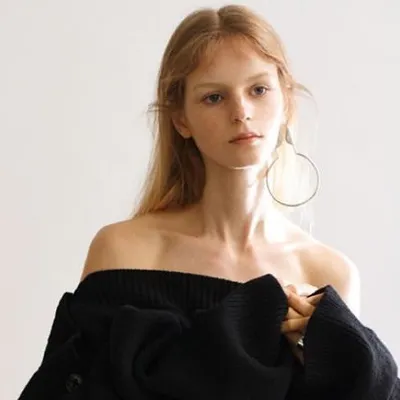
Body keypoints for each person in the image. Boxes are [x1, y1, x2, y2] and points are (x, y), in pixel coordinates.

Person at [18, 4, 399, 400]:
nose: (241, 112)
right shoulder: (124, 250)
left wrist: (325, 351)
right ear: (180, 119)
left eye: (258, 90)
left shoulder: (327, 273)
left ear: (287, 101)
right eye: (214, 97)